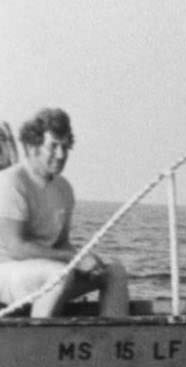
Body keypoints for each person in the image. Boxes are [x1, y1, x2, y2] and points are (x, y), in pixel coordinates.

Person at [0, 107, 130, 318]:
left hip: (43, 272)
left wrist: (87, 260)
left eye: (65, 147)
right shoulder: (11, 182)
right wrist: (73, 258)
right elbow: (16, 248)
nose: (61, 155)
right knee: (58, 275)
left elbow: (60, 244)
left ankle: (112, 343)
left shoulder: (64, 189)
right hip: (7, 272)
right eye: (53, 147)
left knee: (114, 272)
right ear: (33, 147)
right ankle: (39, 343)